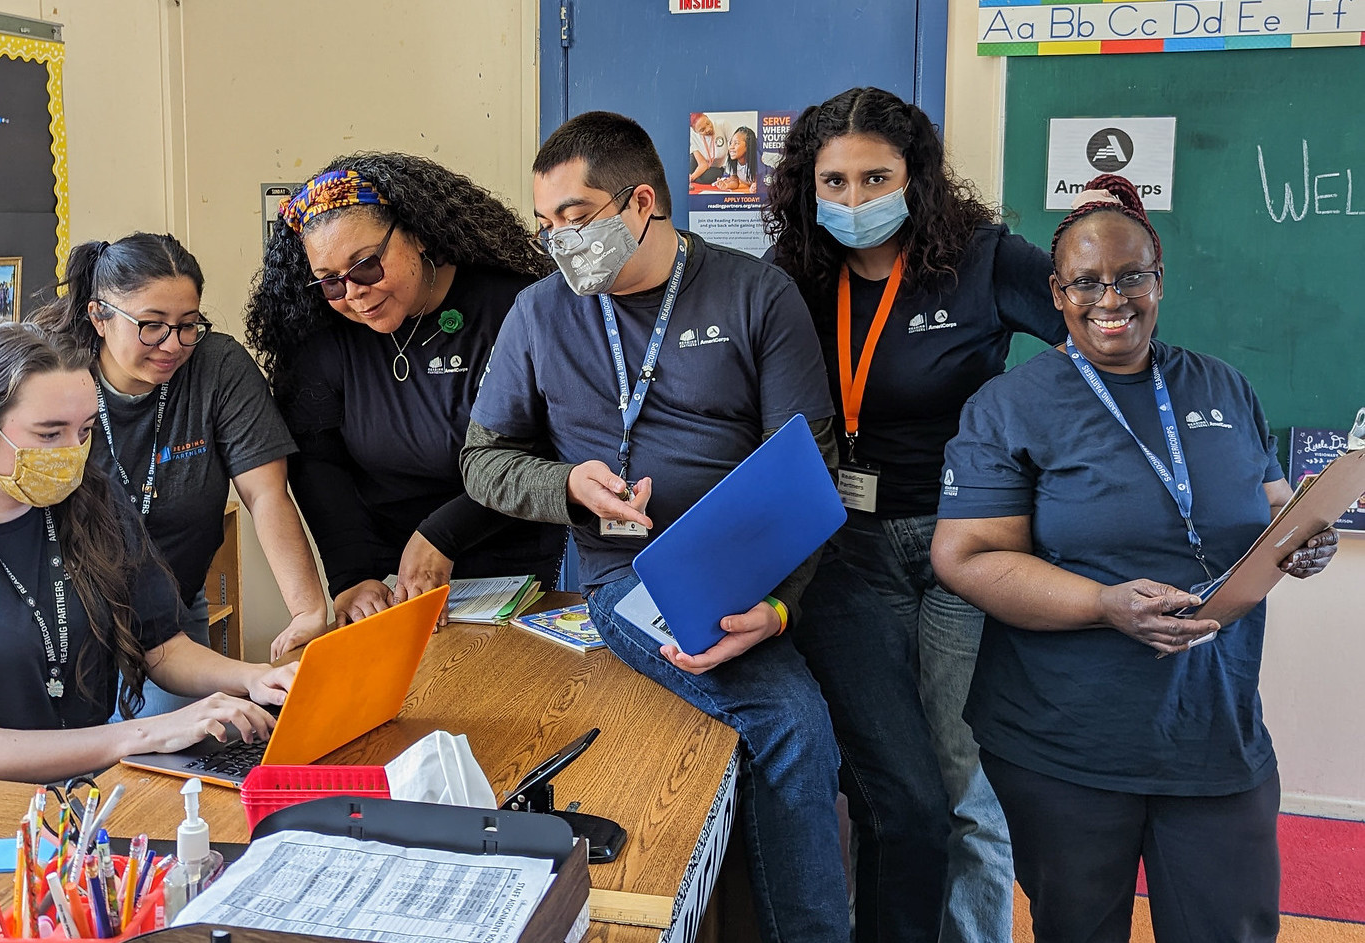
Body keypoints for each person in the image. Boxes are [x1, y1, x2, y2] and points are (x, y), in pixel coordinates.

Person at [461, 110, 849, 943]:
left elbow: (806, 469)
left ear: (641, 203)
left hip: (753, 563)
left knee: (793, 725)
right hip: (625, 579)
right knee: (788, 720)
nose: (558, 242)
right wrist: (567, 484)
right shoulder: (538, 314)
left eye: (574, 218)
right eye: (544, 226)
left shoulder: (755, 293)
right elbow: (481, 462)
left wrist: (777, 606)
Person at [932, 174, 1339, 943]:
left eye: (1130, 277)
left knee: (1234, 926)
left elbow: (1275, 509)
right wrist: (1103, 604)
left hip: (1215, 732)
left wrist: (1304, 539)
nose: (1109, 298)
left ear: (1160, 281)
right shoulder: (1009, 407)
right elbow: (967, 555)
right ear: (1056, 293)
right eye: (1086, 281)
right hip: (1066, 744)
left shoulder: (1226, 386)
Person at [763, 85, 1067, 941]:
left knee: (966, 783)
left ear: (917, 176)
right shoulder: (795, 279)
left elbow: (1103, 352)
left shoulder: (985, 259)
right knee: (891, 784)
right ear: (805, 186)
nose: (854, 201)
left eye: (875, 177)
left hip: (963, 546)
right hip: (843, 551)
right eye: (834, 182)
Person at [0, 324, 296, 783]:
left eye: (85, 431)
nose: (73, 454)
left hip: (75, 796)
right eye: (50, 435)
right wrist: (143, 733)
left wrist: (252, 678)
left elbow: (162, 647)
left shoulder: (92, 500)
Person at [243, 154, 566, 656]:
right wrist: (351, 575)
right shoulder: (324, 337)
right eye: (330, 281)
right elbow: (320, 463)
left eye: (367, 266)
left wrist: (443, 536)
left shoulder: (514, 307)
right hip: (393, 582)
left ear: (417, 234)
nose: (355, 295)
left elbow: (547, 446)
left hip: (520, 568)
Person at [31, 233, 325, 712]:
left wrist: (307, 610)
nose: (173, 344)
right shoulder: (59, 376)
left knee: (181, 762)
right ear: (99, 316)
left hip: (170, 615)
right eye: (151, 326)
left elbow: (266, 495)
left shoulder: (218, 368)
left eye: (188, 325)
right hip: (70, 617)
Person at [714, 126, 758, 192]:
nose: (731, 147)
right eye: (731, 143)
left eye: (736, 143)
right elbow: (735, 181)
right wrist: (726, 185)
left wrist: (757, 185)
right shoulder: (732, 162)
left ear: (748, 146)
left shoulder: (758, 162)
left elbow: (763, 181)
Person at [688, 112, 721, 184]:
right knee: (690, 162)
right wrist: (692, 177)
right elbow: (703, 164)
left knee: (709, 176)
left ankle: (692, 177)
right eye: (702, 130)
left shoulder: (722, 125)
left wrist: (692, 177)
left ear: (707, 117)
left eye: (708, 123)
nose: (708, 129)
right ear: (695, 131)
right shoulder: (693, 137)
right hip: (700, 165)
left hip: (716, 168)